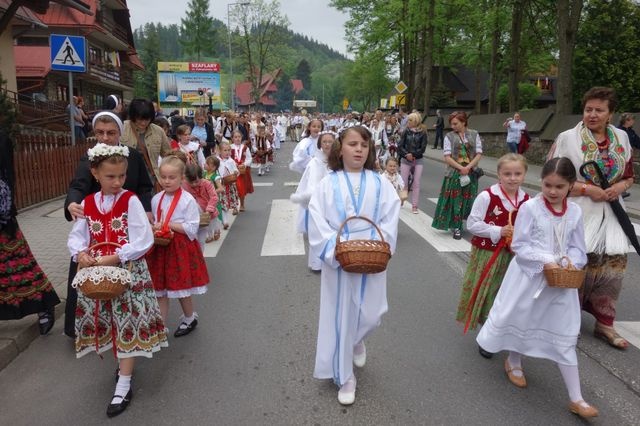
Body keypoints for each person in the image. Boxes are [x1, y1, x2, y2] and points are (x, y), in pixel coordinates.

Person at [477, 157, 599, 419]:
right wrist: (547, 261)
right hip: (530, 275)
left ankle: (576, 397)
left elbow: (579, 246)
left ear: (571, 186)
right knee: (524, 318)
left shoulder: (575, 212)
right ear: (541, 182)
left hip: (561, 281)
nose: (553, 192)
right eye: (547, 185)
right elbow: (520, 245)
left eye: (559, 187)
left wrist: (572, 263)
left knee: (564, 332)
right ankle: (515, 359)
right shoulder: (531, 208)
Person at [67, 143, 167, 417]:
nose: (117, 182)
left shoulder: (130, 200)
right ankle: (124, 366)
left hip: (128, 274)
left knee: (127, 324)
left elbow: (143, 238)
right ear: (95, 173)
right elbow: (79, 236)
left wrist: (118, 256)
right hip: (99, 275)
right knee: (109, 321)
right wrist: (81, 254)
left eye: (121, 176)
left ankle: (124, 382)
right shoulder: (87, 203)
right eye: (110, 176)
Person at [307, 126, 400, 406]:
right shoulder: (327, 183)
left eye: (364, 145)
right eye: (353, 144)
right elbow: (316, 218)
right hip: (339, 257)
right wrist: (337, 248)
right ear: (340, 149)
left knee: (372, 313)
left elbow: (390, 215)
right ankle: (345, 376)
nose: (359, 149)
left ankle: (357, 340)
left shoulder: (381, 182)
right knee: (341, 317)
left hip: (371, 255)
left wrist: (373, 243)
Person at [549, 87, 634, 350]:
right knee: (576, 267)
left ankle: (604, 323)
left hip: (612, 213)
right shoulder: (567, 138)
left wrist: (619, 188)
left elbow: (629, 176)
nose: (592, 115)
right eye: (588, 109)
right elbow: (553, 179)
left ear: (610, 114)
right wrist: (588, 189)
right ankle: (566, 322)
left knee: (612, 268)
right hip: (579, 211)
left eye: (599, 110)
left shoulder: (621, 137)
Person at [63, 111, 154, 338]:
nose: (104, 137)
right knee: (84, 274)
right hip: (95, 228)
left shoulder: (132, 156)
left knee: (127, 287)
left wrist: (147, 209)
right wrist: (73, 203)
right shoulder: (90, 159)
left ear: (119, 134)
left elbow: (144, 185)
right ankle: (85, 327)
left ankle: (128, 329)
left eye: (110, 133)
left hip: (124, 228)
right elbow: (77, 185)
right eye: (100, 133)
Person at [455, 154, 529, 357]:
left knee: (505, 294)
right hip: (488, 253)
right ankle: (487, 335)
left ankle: (499, 330)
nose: (512, 178)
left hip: (513, 257)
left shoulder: (527, 201)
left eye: (517, 174)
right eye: (507, 174)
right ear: (499, 175)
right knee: (488, 291)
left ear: (524, 175)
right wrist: (498, 231)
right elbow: (472, 224)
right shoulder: (487, 196)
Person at [0, 127, 60, 335]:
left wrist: (4, 210)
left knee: (17, 264)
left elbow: (6, 175)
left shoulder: (1, 138)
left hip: (2, 217)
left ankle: (43, 304)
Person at [145, 155, 209, 338]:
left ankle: (189, 318)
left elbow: (191, 227)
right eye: (163, 177)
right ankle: (160, 326)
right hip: (161, 247)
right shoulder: (157, 198)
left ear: (182, 178)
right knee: (160, 289)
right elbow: (158, 221)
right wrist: (156, 226)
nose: (166, 181)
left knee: (181, 288)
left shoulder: (187, 200)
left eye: (171, 177)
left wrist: (167, 224)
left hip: (179, 248)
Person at [432, 111, 483, 239]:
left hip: (470, 172)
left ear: (463, 122)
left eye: (455, 123)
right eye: (451, 124)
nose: (453, 126)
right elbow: (447, 157)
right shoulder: (449, 136)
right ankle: (457, 226)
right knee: (456, 200)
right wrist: (461, 168)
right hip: (454, 173)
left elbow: (478, 153)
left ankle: (464, 223)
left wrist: (468, 167)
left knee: (468, 199)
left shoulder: (474, 134)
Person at [290, 131, 335, 272]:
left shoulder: (338, 160)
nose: (328, 145)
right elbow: (312, 184)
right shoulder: (315, 162)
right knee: (318, 232)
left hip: (335, 203)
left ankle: (332, 259)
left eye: (330, 142)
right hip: (320, 202)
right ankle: (317, 263)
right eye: (325, 142)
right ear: (320, 144)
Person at [120, 99, 172, 188]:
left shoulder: (158, 131)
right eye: (140, 119)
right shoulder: (121, 127)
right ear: (133, 115)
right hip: (125, 178)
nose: (143, 123)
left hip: (150, 179)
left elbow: (168, 155)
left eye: (147, 119)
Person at [397, 112, 428, 214]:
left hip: (418, 159)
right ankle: (401, 201)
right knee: (404, 182)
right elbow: (400, 145)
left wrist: (413, 154)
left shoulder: (423, 132)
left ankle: (415, 206)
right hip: (405, 160)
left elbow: (423, 148)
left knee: (416, 183)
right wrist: (407, 154)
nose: (408, 122)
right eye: (408, 120)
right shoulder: (406, 131)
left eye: (410, 120)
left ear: (416, 121)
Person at [182, 163, 218, 251]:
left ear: (201, 177)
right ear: (186, 178)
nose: (194, 184)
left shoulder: (207, 183)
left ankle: (216, 231)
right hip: (192, 216)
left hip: (207, 214)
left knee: (204, 235)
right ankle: (199, 256)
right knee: (195, 238)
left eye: (197, 181)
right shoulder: (184, 185)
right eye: (191, 182)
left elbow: (214, 197)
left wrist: (208, 210)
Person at [230, 129, 253, 212]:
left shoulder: (245, 147)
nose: (237, 138)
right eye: (235, 137)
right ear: (232, 138)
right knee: (233, 188)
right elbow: (227, 157)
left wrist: (244, 164)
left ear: (241, 137)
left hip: (242, 171)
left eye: (239, 137)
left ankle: (242, 204)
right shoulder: (230, 147)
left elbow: (249, 158)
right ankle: (235, 206)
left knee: (241, 188)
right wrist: (233, 163)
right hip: (233, 171)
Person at [217, 140, 240, 225]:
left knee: (230, 200)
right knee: (223, 202)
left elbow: (236, 170)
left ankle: (233, 209)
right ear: (219, 151)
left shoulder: (231, 161)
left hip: (230, 184)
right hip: (221, 184)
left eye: (229, 150)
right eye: (225, 150)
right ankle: (225, 221)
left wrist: (236, 172)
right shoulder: (217, 160)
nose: (227, 152)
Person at [203, 155, 224, 242]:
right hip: (205, 200)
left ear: (213, 167)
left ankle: (217, 230)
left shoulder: (215, 177)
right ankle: (209, 235)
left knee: (215, 217)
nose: (204, 165)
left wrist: (212, 192)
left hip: (213, 200)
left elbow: (221, 188)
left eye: (207, 164)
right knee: (207, 217)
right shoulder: (204, 175)